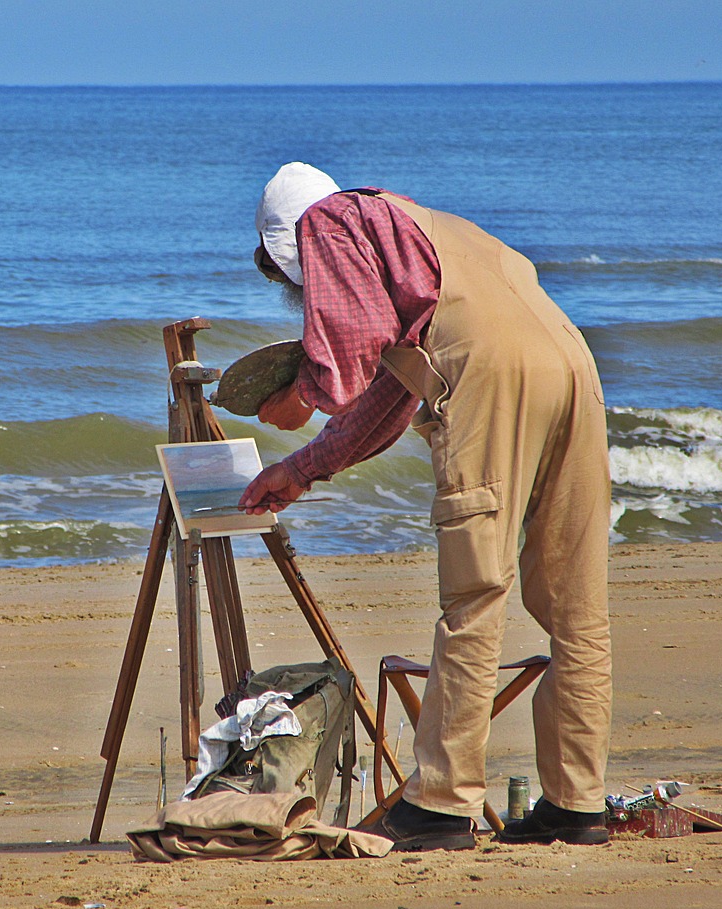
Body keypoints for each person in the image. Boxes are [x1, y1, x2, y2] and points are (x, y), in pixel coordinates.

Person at [239, 162, 613, 850]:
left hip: (491, 372)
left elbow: (346, 361)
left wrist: (300, 398)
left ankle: (442, 805)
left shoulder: (329, 221)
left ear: (286, 248)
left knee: (475, 593)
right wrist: (301, 470)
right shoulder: (412, 227)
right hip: (571, 361)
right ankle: (576, 803)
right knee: (574, 603)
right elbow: (390, 396)